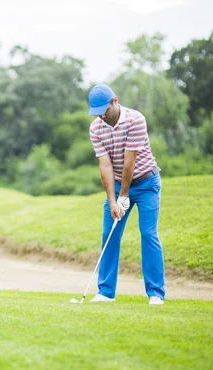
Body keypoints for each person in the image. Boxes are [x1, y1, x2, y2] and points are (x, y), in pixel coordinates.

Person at [87, 84, 165, 305]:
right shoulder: (96, 128)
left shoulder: (135, 119)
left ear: (115, 100)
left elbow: (129, 162)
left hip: (146, 182)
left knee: (148, 234)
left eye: (105, 110)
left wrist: (124, 196)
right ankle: (105, 292)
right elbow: (105, 166)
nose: (102, 115)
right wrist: (113, 201)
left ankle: (156, 293)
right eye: (97, 112)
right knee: (109, 234)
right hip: (119, 183)